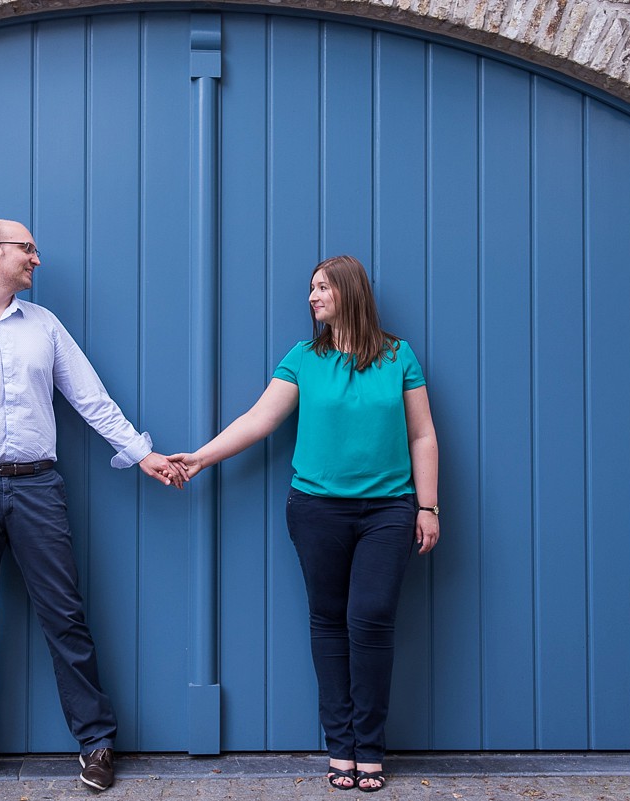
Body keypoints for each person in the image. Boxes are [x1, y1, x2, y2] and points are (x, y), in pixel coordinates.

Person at [0, 220, 186, 797]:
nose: (36, 260)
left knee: (64, 614)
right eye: (27, 249)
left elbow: (90, 398)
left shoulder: (44, 327)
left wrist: (141, 453)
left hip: (36, 488)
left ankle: (96, 742)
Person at [169, 255, 439, 793]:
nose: (312, 297)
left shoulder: (398, 356)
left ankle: (371, 745)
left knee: (372, 618)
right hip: (317, 509)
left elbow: (422, 436)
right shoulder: (304, 358)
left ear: (350, 291)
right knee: (328, 621)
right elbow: (259, 420)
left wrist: (427, 507)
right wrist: (200, 458)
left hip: (389, 511)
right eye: (311, 289)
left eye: (322, 288)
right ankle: (342, 747)